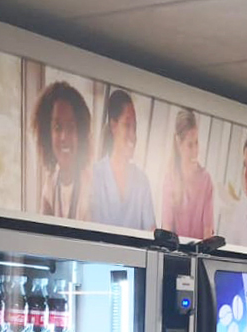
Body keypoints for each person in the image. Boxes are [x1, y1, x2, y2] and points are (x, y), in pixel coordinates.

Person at [90, 89, 155, 231]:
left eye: (135, 127)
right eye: (127, 125)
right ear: (113, 125)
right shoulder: (94, 176)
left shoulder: (142, 181)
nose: (133, 135)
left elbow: (151, 232)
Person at [31, 81, 92, 221]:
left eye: (71, 127)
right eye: (57, 128)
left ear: (81, 133)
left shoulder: (92, 188)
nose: (64, 137)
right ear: (48, 135)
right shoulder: (50, 185)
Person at [161, 109, 214, 239]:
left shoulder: (206, 180)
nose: (195, 151)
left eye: (196, 143)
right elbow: (167, 228)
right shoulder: (170, 180)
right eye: (190, 145)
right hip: (175, 250)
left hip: (199, 251)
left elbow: (208, 231)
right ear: (179, 144)